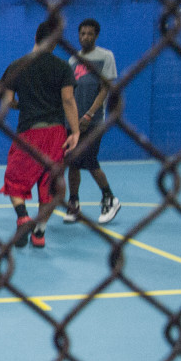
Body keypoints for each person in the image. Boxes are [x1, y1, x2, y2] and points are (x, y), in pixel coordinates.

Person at [0, 20, 80, 248]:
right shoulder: (62, 67)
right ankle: (40, 231)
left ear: (35, 37)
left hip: (29, 132)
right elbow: (68, 99)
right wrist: (75, 131)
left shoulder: (16, 66)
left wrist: (23, 104)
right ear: (55, 43)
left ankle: (23, 217)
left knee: (15, 180)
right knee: (50, 186)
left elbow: (8, 101)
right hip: (56, 133)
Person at [65, 18, 121, 224]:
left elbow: (105, 89)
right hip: (73, 122)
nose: (85, 37)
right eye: (82, 33)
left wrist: (89, 114)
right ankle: (74, 203)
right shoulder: (73, 60)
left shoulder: (105, 57)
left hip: (93, 121)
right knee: (72, 162)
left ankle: (110, 198)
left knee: (89, 160)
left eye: (89, 34)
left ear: (96, 36)